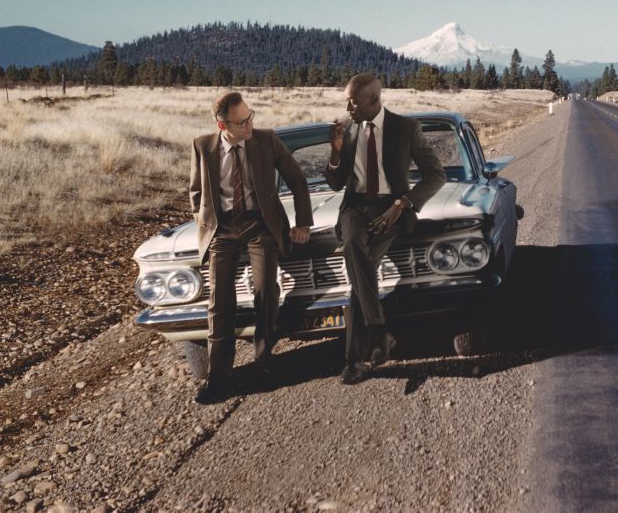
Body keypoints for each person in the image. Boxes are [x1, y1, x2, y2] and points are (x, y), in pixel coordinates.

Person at [190, 92, 313, 403]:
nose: (250, 124)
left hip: (262, 225)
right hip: (223, 230)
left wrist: (302, 223)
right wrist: (205, 223)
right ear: (222, 125)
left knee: (265, 291)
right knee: (219, 300)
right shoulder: (202, 146)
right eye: (243, 121)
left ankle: (265, 359)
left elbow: (297, 179)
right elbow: (195, 193)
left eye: (251, 116)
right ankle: (218, 377)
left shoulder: (267, 140)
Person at [326, 73, 446, 384]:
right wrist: (336, 152)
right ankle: (379, 334)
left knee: (358, 276)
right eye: (346, 101)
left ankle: (354, 362)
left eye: (353, 102)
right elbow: (336, 183)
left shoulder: (406, 129)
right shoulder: (347, 129)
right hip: (355, 208)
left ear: (373, 100)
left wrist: (403, 203)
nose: (347, 107)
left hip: (391, 209)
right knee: (354, 248)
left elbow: (436, 175)